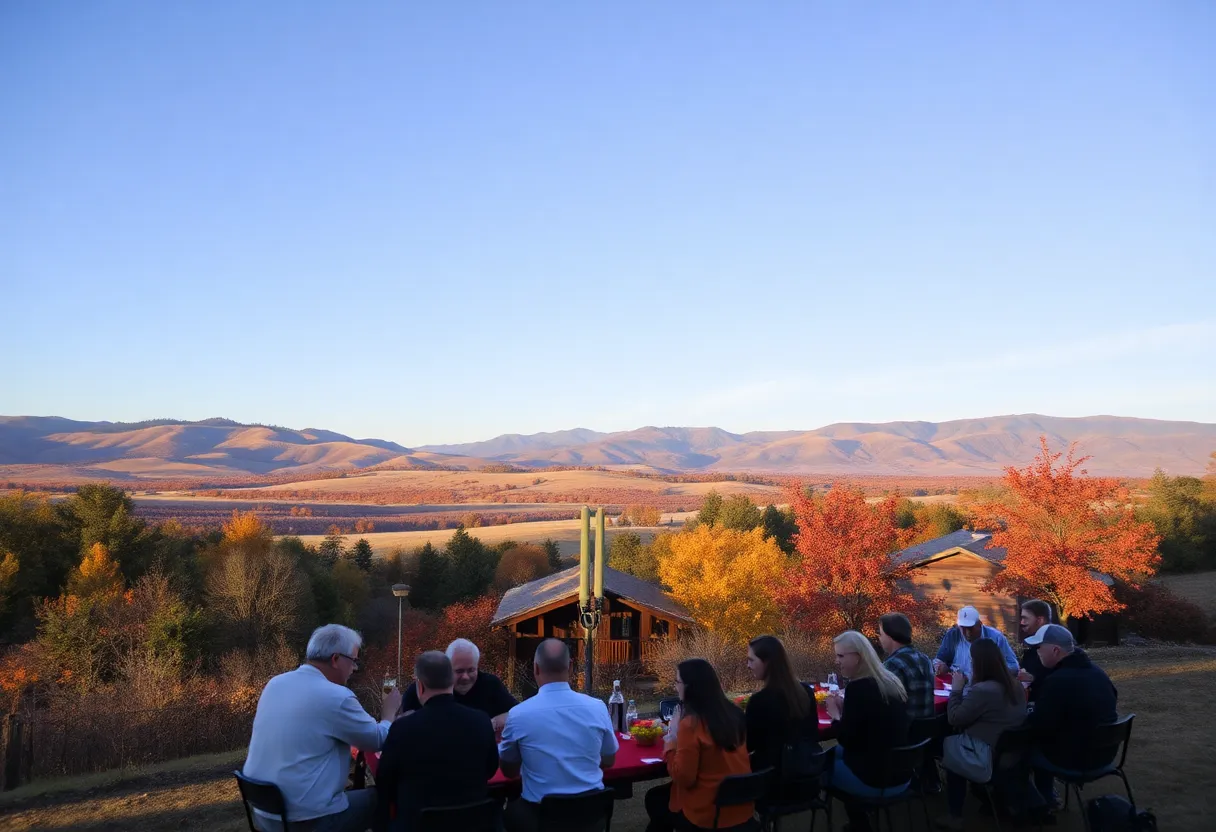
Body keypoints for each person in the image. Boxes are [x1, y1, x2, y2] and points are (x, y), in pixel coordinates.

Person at [243, 624, 402, 832]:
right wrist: (389, 713)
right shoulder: (337, 697)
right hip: (306, 821)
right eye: (353, 661)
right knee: (384, 798)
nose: (354, 669)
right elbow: (379, 740)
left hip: (264, 814)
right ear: (336, 659)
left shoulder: (275, 683)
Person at [498, 639, 619, 832]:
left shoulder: (519, 714)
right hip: (591, 817)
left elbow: (509, 771)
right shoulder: (597, 707)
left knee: (505, 814)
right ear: (571, 667)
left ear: (536, 668)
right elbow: (609, 759)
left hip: (540, 819)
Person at [375, 651, 499, 832]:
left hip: (417, 824)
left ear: (420, 686)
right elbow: (490, 769)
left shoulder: (403, 728)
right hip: (473, 823)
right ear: (452, 682)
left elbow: (385, 781)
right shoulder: (481, 721)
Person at [645, 659, 753, 832]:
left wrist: (671, 740)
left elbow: (684, 778)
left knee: (656, 801)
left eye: (677, 682)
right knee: (656, 798)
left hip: (709, 813)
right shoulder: (734, 714)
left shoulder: (691, 724)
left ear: (691, 687)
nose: (675, 687)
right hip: (741, 808)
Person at [935, 639, 1028, 831]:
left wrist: (957, 689)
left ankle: (955, 814)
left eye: (971, 659)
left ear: (978, 663)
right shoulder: (1015, 685)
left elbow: (954, 718)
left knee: (949, 749)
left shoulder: (983, 690)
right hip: (1011, 753)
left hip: (986, 753)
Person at [823, 630, 911, 832]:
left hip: (877, 780)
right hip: (903, 773)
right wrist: (848, 712)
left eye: (841, 656)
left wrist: (836, 715)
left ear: (859, 656)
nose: (836, 661)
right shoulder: (889, 681)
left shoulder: (858, 688)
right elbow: (872, 724)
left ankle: (859, 823)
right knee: (832, 755)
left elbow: (846, 740)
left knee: (823, 765)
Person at [1025, 624, 1118, 811]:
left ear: (1055, 650)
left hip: (1075, 759)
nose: (1037, 652)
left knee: (1019, 749)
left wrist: (1025, 713)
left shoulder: (1058, 681)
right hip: (1105, 755)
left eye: (1039, 647)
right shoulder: (1098, 673)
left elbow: (1040, 726)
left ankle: (1037, 804)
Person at [399, 638, 517, 733]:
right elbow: (403, 723)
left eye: (471, 670)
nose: (465, 677)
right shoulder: (426, 687)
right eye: (459, 671)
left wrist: (493, 723)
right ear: (447, 668)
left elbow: (517, 713)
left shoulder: (490, 684)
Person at [744, 634, 819, 774]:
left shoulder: (759, 701)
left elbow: (748, 744)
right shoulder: (805, 692)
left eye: (751, 660)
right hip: (805, 777)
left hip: (772, 782)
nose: (748, 666)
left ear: (766, 662)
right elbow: (812, 733)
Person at [933, 606, 1019, 682]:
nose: (967, 632)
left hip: (986, 687)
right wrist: (940, 667)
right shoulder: (953, 635)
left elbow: (1014, 668)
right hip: (956, 686)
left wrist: (989, 673)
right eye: (963, 628)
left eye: (970, 628)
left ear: (980, 624)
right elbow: (939, 660)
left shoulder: (995, 637)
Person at [878, 613, 935, 720]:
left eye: (881, 634)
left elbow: (882, 705)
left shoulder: (892, 665)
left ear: (890, 636)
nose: (880, 638)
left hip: (903, 732)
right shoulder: (925, 659)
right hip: (927, 732)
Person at [1016, 600, 1054, 702]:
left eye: (1025, 618)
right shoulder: (1032, 646)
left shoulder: (1053, 644)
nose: (1021, 622)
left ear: (1039, 620)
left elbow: (1060, 679)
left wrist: (1033, 678)